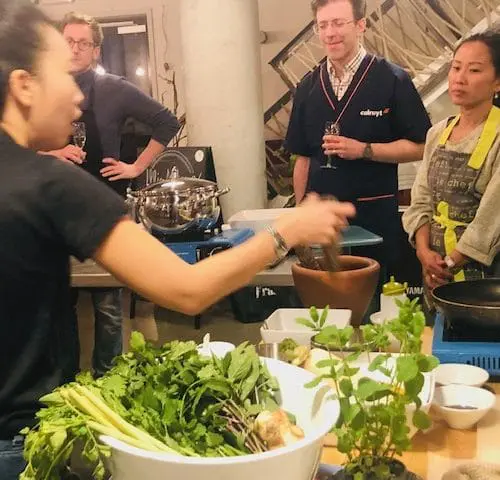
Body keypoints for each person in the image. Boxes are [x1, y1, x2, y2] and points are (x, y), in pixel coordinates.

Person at [0, 1, 355, 476]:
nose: (77, 94)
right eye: (63, 74)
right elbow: (188, 289)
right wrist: (287, 229)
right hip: (21, 448)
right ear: (23, 86)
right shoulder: (50, 182)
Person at [42, 12, 181, 378]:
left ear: (96, 51)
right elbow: (12, 144)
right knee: (59, 303)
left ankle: (109, 380)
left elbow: (167, 122)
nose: (75, 49)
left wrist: (136, 167)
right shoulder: (40, 89)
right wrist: (52, 154)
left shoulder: (114, 89)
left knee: (107, 306)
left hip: (103, 208)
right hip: (55, 211)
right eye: (68, 41)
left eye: (83, 43)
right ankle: (66, 381)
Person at [285, 0, 432, 279]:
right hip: (323, 222)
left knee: (373, 295)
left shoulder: (392, 79)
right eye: (322, 25)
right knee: (322, 296)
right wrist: (301, 210)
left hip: (374, 218)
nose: (330, 33)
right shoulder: (307, 87)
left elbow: (422, 146)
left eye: (338, 23)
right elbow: (302, 158)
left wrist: (365, 150)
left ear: (360, 25)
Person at [403, 30, 500, 291]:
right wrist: (424, 252)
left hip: (486, 280)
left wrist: (449, 264)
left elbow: (490, 221)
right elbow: (421, 200)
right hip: (434, 272)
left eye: (474, 70)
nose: (460, 78)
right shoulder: (437, 133)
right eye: (456, 68)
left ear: (497, 83)